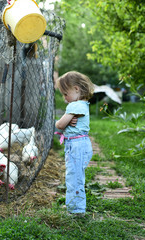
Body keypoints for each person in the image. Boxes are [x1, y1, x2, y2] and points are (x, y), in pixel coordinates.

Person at [55, 71, 94, 216]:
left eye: (65, 94)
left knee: (74, 178)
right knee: (76, 175)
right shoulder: (82, 105)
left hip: (76, 146)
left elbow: (59, 125)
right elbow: (65, 123)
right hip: (80, 144)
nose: (65, 98)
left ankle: (76, 210)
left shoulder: (75, 106)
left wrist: (61, 122)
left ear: (76, 89)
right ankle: (74, 204)